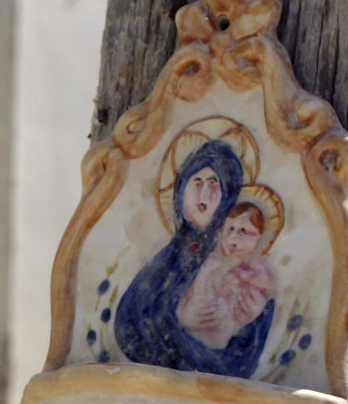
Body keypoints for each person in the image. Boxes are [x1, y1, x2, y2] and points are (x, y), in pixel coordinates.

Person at [113, 137, 240, 372]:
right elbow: (131, 318)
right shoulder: (169, 258)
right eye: (197, 182)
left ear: (228, 196)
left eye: (214, 183)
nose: (204, 193)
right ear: (181, 191)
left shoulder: (231, 256)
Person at [176, 187, 280, 359]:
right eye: (230, 229)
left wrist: (248, 310)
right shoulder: (210, 263)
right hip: (194, 338)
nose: (232, 238)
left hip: (225, 346)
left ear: (259, 237)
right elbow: (187, 299)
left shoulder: (257, 270)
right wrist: (189, 316)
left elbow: (261, 300)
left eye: (243, 231)